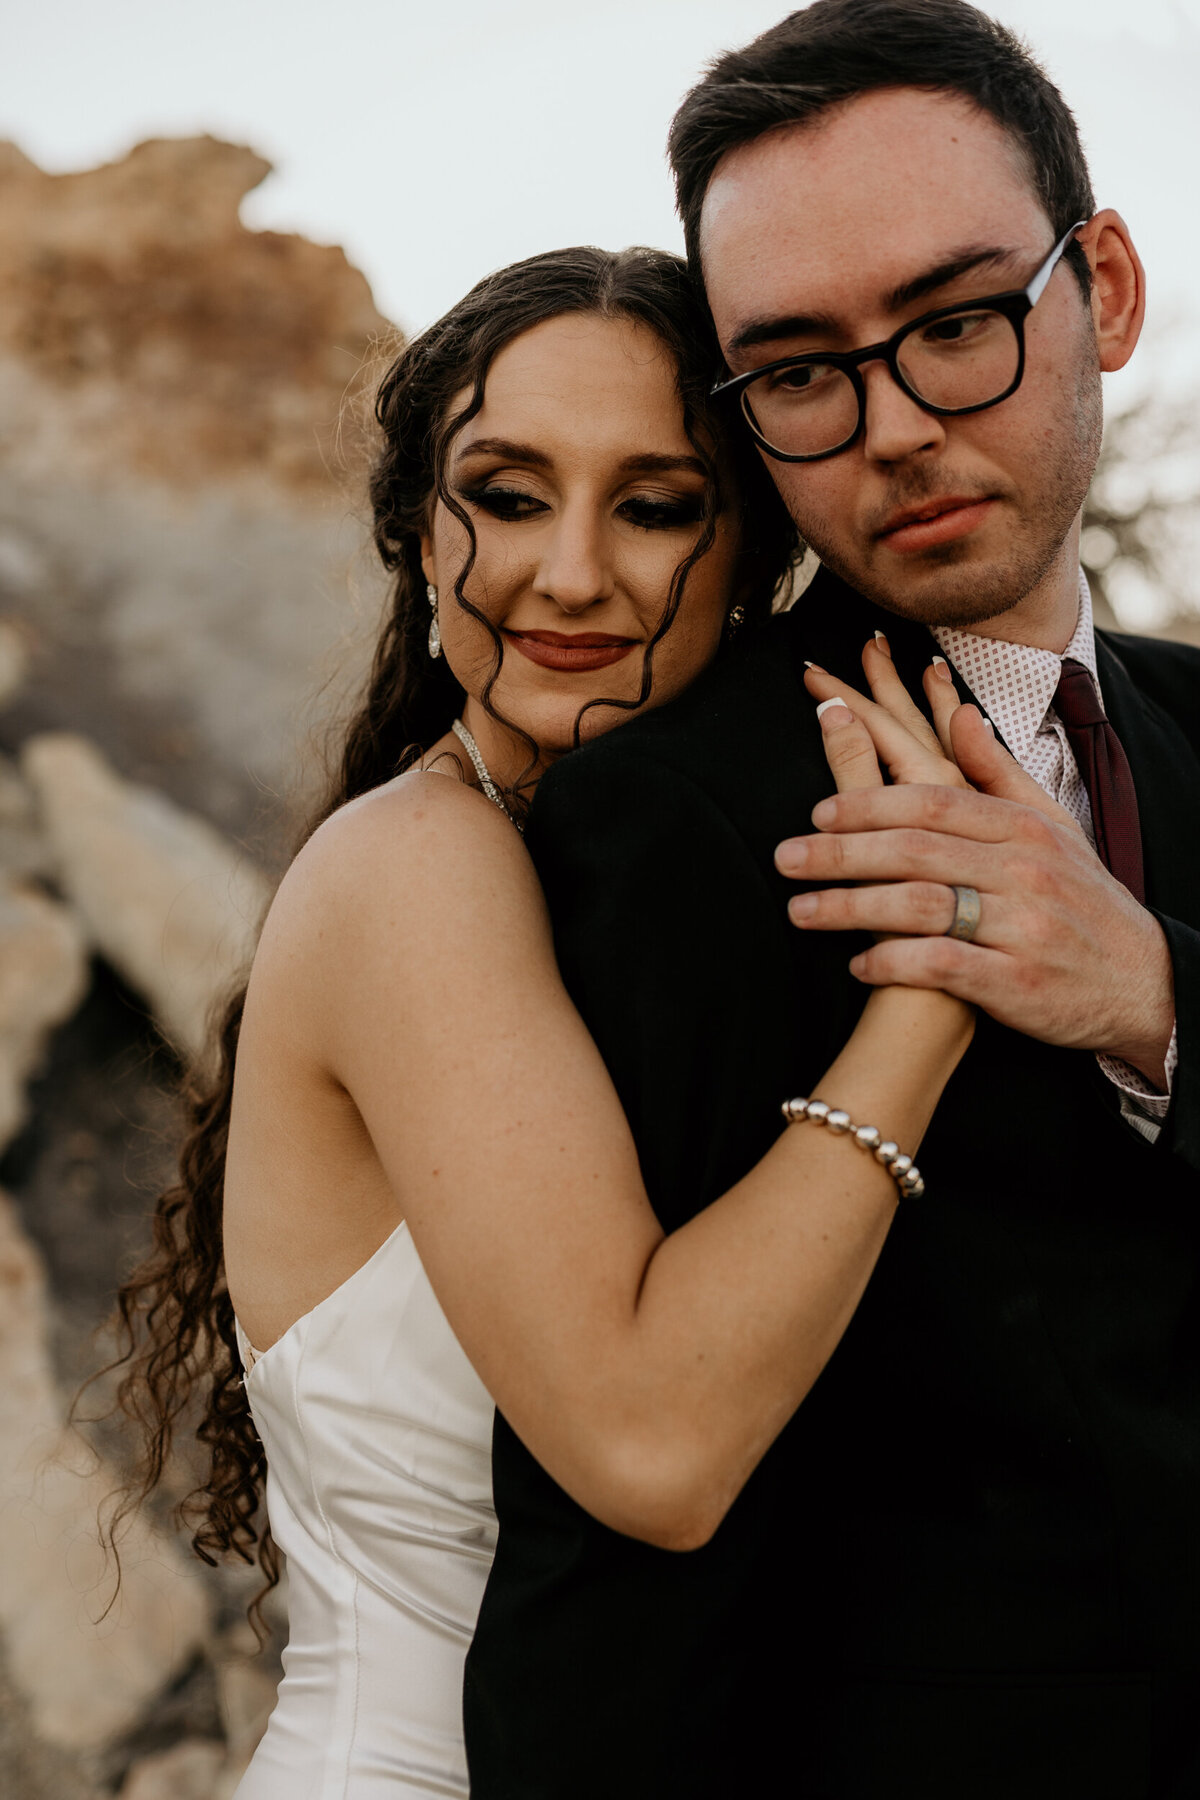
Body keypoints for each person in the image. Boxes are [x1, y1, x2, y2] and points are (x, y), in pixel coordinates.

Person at [105, 244, 1028, 1797]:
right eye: (507, 494)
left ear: (756, 558)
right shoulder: (415, 873)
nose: (573, 572)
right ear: (414, 530)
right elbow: (653, 1453)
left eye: (658, 504)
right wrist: (930, 994)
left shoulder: (628, 895)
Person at [464, 6, 1200, 1799]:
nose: (895, 429)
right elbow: (622, 1562)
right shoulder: (672, 817)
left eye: (956, 325)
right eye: (799, 370)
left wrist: (1153, 997)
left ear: (1099, 287)